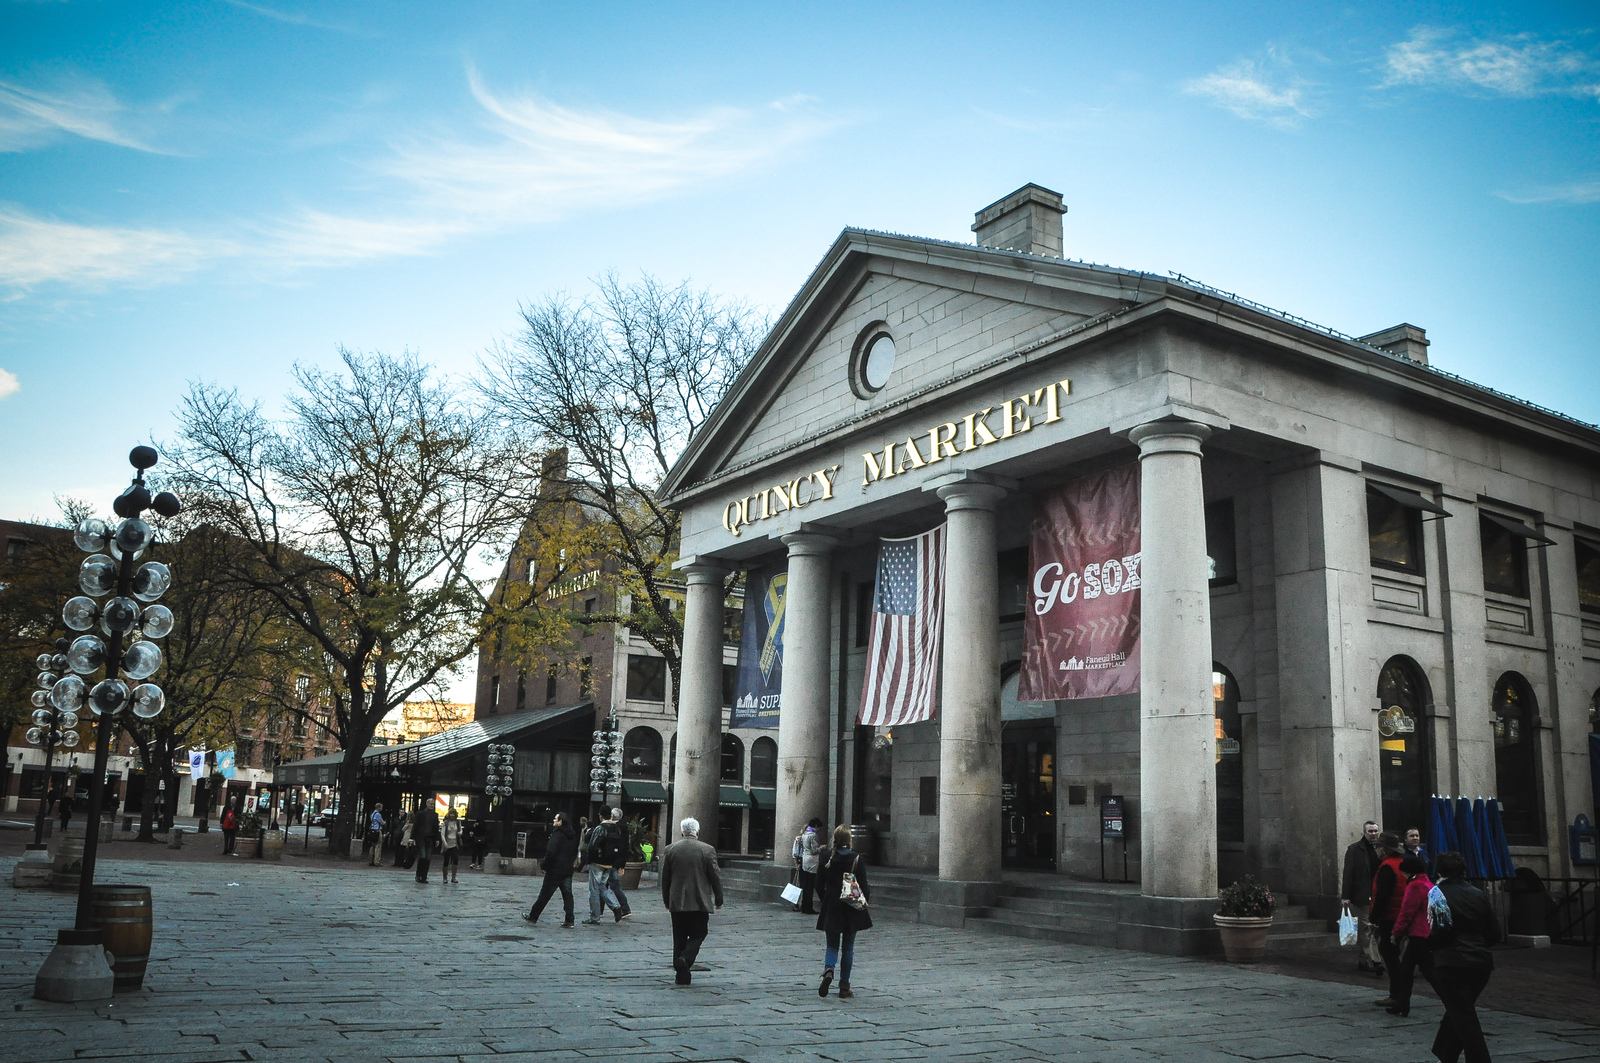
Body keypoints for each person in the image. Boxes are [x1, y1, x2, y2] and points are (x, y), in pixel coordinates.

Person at [1428, 851, 1501, 1063]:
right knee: (1460, 1008)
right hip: (1481, 962)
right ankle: (1445, 1052)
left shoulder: (1436, 893)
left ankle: (1478, 1059)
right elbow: (1494, 933)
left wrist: (1431, 947)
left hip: (1451, 961)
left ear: (1439, 871)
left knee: (1463, 1014)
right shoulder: (1478, 893)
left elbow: (1441, 931)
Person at [660, 816, 723, 986]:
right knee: (699, 933)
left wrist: (667, 899)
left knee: (678, 937)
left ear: (682, 831)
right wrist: (719, 897)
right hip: (699, 901)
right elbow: (715, 876)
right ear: (697, 831)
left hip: (677, 900)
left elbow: (665, 878)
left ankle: (681, 974)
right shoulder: (707, 850)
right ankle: (686, 958)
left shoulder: (671, 849)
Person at [814, 823, 873, 1000]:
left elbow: (818, 883)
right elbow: (864, 885)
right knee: (848, 947)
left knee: (832, 945)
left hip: (832, 906)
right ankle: (844, 986)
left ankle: (829, 970)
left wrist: (825, 899)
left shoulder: (826, 856)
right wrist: (863, 903)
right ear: (849, 840)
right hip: (850, 907)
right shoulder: (856, 858)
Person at [1387, 853, 1434, 1017]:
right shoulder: (1428, 883)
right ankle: (1401, 1003)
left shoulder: (1415, 886)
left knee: (1427, 972)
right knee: (1406, 970)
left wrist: (1396, 933)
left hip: (1418, 934)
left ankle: (1402, 1003)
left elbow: (1406, 913)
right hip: (1425, 932)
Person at [1340, 820, 1383, 975]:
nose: (1373, 834)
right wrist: (1345, 896)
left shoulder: (1381, 849)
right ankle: (1374, 961)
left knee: (1375, 929)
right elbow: (1348, 874)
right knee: (1365, 928)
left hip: (1378, 895)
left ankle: (1364, 959)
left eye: (1375, 831)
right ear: (1364, 832)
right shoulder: (1354, 850)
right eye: (1370, 831)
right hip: (1362, 895)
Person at [1369, 831, 1406, 1008]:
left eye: (1378, 847)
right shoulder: (1402, 864)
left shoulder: (1387, 867)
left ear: (1384, 849)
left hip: (1390, 917)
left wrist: (1374, 918)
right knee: (1398, 956)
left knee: (1390, 955)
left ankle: (1397, 994)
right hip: (1402, 916)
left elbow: (1383, 896)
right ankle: (1399, 994)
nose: (1377, 850)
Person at [525, 812, 577, 926]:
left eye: (555, 819)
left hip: (555, 870)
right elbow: (573, 852)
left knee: (544, 895)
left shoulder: (557, 834)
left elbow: (551, 852)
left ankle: (533, 916)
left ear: (561, 821)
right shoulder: (572, 835)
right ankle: (570, 920)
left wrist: (544, 865)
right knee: (568, 895)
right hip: (567, 870)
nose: (553, 820)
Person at [581, 811, 626, 925]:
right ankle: (616, 906)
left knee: (594, 889)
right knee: (602, 887)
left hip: (597, 863)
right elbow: (622, 846)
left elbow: (592, 846)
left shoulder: (600, 828)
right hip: (610, 863)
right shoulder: (616, 828)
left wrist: (589, 860)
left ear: (600, 815)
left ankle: (595, 917)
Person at [603, 808, 633, 920]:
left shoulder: (616, 828)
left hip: (612, 862)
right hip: (616, 861)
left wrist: (621, 865)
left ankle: (624, 909)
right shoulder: (622, 827)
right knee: (607, 885)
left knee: (612, 885)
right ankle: (621, 909)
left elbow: (623, 847)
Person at [793, 818, 823, 915]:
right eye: (818, 828)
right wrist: (821, 848)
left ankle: (804, 905)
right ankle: (808, 908)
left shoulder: (804, 834)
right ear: (816, 826)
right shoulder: (813, 835)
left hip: (804, 861)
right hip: (812, 861)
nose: (818, 830)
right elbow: (814, 851)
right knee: (810, 885)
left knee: (805, 886)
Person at [412, 803, 439, 883]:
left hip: (430, 838)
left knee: (428, 858)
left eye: (433, 804)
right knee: (423, 856)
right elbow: (415, 825)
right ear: (426, 804)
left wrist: (437, 839)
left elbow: (436, 827)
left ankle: (424, 876)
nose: (431, 805)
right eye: (430, 804)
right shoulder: (420, 813)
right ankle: (418, 875)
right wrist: (412, 837)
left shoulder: (435, 814)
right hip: (421, 838)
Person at [440, 808, 461, 883]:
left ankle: (453, 877)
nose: (452, 815)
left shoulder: (458, 822)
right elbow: (442, 834)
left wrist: (460, 833)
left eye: (453, 813)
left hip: (455, 844)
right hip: (447, 844)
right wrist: (444, 843)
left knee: (455, 860)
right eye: (451, 813)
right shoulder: (445, 822)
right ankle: (445, 878)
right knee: (446, 861)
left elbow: (460, 830)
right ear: (449, 814)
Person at [367, 803, 386, 867]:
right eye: (381, 807)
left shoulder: (372, 814)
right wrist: (385, 822)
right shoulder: (378, 814)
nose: (382, 808)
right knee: (378, 846)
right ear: (378, 807)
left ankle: (370, 860)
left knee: (372, 846)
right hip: (377, 831)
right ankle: (376, 861)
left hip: (372, 831)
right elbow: (382, 822)